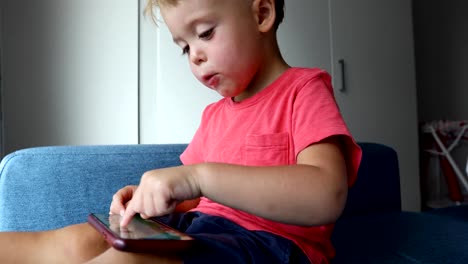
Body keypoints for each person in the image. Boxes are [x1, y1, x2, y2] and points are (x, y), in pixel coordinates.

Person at [0, 0, 362, 263]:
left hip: (271, 246)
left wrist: (198, 177)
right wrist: (152, 198)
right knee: (78, 241)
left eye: (205, 33)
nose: (195, 56)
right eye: (185, 47)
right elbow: (193, 198)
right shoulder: (214, 115)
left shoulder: (303, 89)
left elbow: (327, 195)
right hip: (198, 228)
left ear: (261, 13)